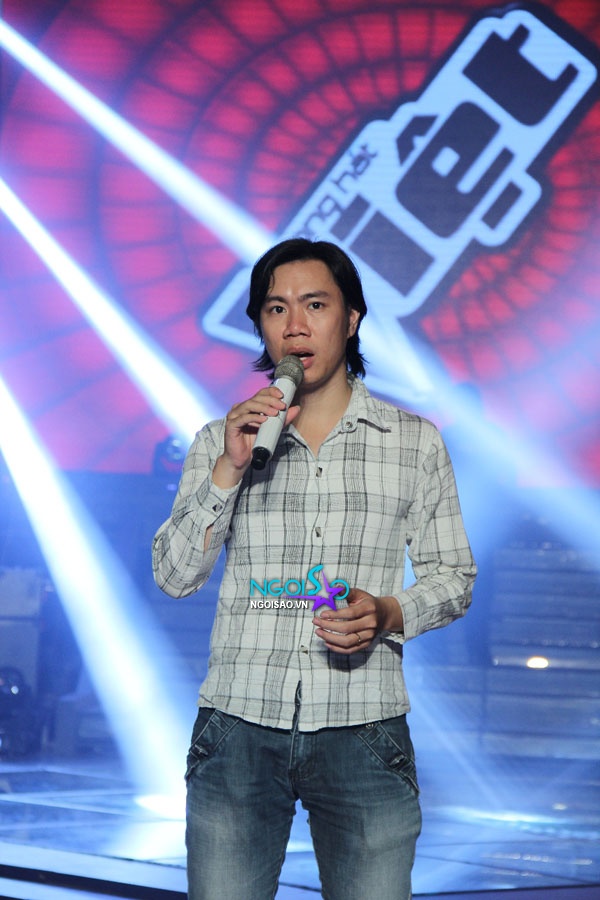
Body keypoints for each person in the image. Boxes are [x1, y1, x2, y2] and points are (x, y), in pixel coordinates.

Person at [152, 238, 476, 900]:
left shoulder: (413, 442)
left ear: (351, 319)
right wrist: (228, 469)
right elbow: (175, 575)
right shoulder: (221, 439)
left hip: (364, 728)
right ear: (261, 326)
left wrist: (387, 611)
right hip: (237, 725)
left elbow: (454, 576)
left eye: (315, 305)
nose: (295, 325)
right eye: (276, 308)